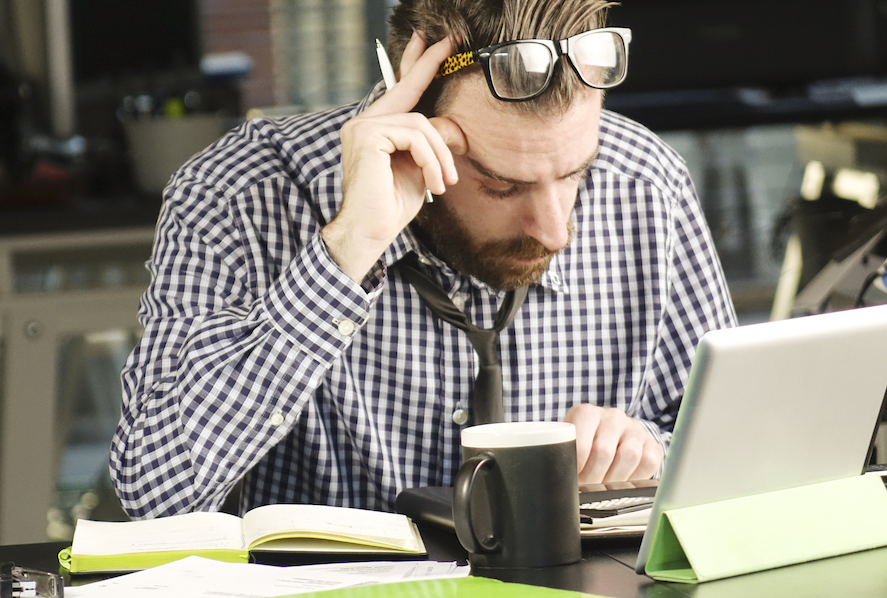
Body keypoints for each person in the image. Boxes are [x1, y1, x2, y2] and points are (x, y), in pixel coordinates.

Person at [110, 0, 737, 519]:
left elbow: (747, 452)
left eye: (576, 173)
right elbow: (154, 497)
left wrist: (651, 450)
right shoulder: (238, 196)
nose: (554, 232)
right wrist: (349, 246)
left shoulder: (645, 183)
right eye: (500, 184)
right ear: (413, 117)